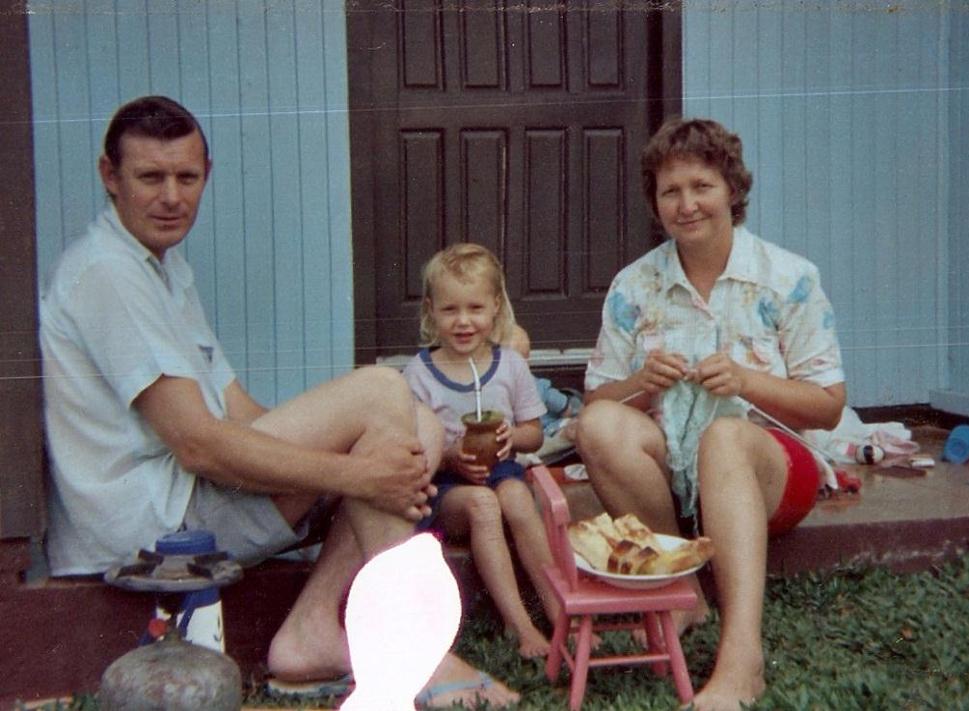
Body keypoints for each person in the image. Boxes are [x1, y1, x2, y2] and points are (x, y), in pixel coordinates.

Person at [39, 95, 518, 709]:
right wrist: (352, 472)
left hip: (184, 500)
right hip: (151, 529)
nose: (171, 197)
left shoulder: (159, 268)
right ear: (110, 176)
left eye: (186, 178)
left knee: (417, 426)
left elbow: (238, 411)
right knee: (380, 393)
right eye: (149, 177)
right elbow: (198, 444)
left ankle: (311, 631)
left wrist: (361, 458)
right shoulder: (106, 274)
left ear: (206, 174)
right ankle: (420, 656)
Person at [574, 116, 845, 711]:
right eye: (670, 191)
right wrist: (639, 383)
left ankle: (742, 658)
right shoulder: (634, 285)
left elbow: (828, 406)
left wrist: (748, 380)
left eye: (702, 186)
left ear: (732, 191)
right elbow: (596, 401)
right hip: (674, 476)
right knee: (598, 425)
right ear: (655, 202)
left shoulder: (788, 278)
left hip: (772, 473)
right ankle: (684, 592)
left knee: (725, 434)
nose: (687, 204)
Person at [403, 243, 559, 658]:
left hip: (501, 469)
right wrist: (451, 455)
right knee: (484, 505)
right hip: (447, 487)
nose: (464, 321)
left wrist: (513, 438)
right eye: (450, 310)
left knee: (516, 499)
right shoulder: (419, 373)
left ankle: (561, 613)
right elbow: (412, 450)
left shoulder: (510, 365)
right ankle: (520, 625)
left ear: (495, 309)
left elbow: (534, 433)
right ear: (431, 311)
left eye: (475, 308)